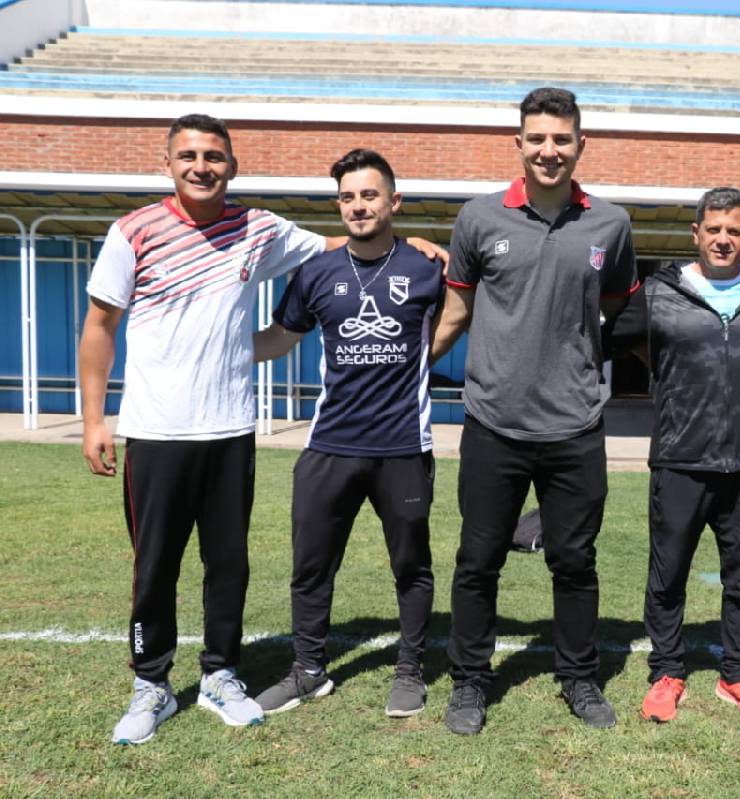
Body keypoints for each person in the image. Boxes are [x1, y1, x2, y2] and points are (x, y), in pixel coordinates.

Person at [79, 114, 444, 746]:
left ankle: (221, 674)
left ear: (232, 166)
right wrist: (92, 421)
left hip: (229, 429)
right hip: (155, 429)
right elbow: (99, 326)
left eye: (214, 155)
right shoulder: (131, 231)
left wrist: (415, 244)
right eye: (189, 155)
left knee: (229, 565)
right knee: (155, 565)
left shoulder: (257, 229)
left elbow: (341, 243)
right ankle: (151, 684)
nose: (202, 165)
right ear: (167, 164)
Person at [432, 87, 638, 735]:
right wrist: (404, 365)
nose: (550, 151)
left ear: (580, 145)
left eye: (561, 140)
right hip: (494, 423)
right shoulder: (479, 219)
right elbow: (457, 310)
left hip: (576, 425)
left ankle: (579, 679)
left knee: (575, 561)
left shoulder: (611, 224)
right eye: (538, 139)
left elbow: (618, 309)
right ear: (518, 144)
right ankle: (470, 682)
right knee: (478, 559)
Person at [607, 187, 740, 724]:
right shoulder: (658, 292)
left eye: (735, 231)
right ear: (696, 233)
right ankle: (667, 671)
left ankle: (739, 674)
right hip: (679, 459)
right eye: (714, 229)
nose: (724, 239)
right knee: (668, 574)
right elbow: (598, 341)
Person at [249, 149, 442, 719]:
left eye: (369, 195)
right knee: (311, 566)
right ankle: (308, 671)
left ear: (394, 201)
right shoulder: (315, 272)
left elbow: (463, 309)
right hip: (329, 447)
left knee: (411, 565)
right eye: (348, 197)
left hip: (403, 447)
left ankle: (410, 671)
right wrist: (214, 348)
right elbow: (280, 339)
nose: (358, 206)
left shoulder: (427, 268)